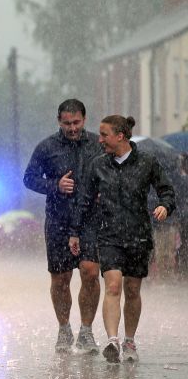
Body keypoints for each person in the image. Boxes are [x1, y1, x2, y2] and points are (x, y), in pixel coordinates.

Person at [69, 115, 175, 363]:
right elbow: (84, 201)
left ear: (121, 136)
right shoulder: (98, 165)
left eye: (105, 135)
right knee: (113, 285)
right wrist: (75, 232)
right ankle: (112, 341)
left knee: (133, 289)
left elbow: (167, 191)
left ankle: (129, 341)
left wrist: (165, 207)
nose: (101, 140)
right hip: (109, 236)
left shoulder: (147, 162)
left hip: (138, 236)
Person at [23, 99, 104, 354]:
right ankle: (64, 327)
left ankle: (87, 331)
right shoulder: (47, 147)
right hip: (59, 219)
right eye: (67, 123)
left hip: (91, 220)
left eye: (76, 122)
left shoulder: (97, 145)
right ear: (59, 121)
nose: (72, 128)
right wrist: (54, 185)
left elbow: (111, 173)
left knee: (90, 272)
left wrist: (105, 191)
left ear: (84, 119)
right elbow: (29, 178)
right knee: (61, 279)